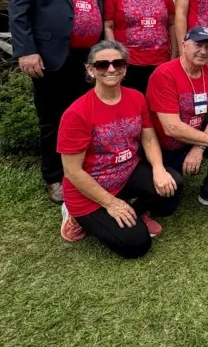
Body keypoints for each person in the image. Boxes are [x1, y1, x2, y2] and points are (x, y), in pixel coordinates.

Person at [9, 0, 105, 204]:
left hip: (87, 58)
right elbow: (19, 8)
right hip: (51, 56)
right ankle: (54, 176)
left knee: (85, 116)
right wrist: (26, 51)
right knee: (52, 119)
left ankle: (81, 170)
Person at [57, 41, 182, 259]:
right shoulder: (77, 113)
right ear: (91, 70)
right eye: (102, 64)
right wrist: (111, 203)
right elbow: (72, 171)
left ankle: (134, 211)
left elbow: (148, 138)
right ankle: (75, 217)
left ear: (125, 68)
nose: (111, 69)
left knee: (173, 186)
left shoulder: (136, 97)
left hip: (126, 174)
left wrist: (158, 168)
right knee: (137, 243)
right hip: (90, 189)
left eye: (118, 63)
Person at [146, 26, 208, 216]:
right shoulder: (164, 74)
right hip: (166, 145)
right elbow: (171, 127)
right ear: (184, 45)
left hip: (195, 137)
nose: (203, 51)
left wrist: (199, 148)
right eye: (198, 45)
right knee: (166, 207)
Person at [104, 0, 176, 94]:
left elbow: (172, 23)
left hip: (160, 62)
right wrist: (115, 56)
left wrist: (175, 55)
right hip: (128, 63)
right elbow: (108, 26)